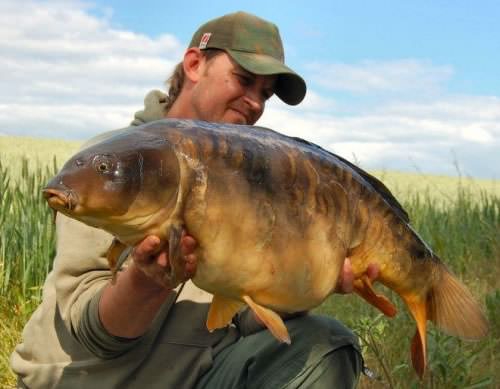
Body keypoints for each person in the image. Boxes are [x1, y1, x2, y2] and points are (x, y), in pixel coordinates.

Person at [11, 11, 373, 388]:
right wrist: (147, 280)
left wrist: (307, 281)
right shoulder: (115, 167)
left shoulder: (249, 179)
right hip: (86, 381)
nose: (254, 103)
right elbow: (94, 334)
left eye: (264, 94)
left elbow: (246, 320)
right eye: (244, 80)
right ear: (195, 64)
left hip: (191, 379)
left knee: (327, 345)